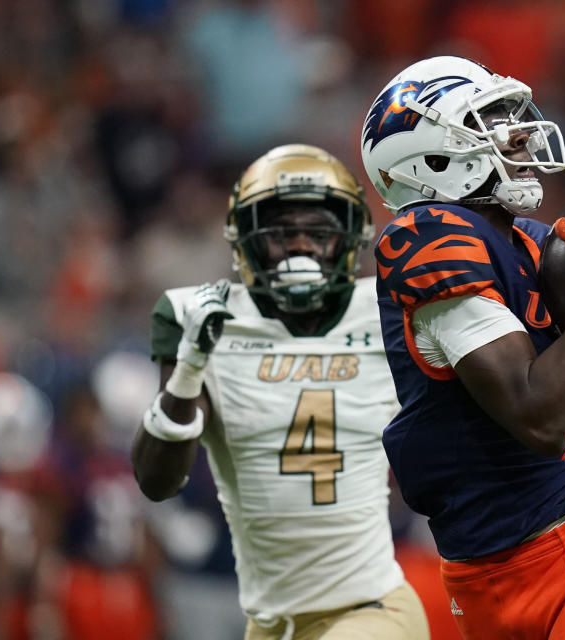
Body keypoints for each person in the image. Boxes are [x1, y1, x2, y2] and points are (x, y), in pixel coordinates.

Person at [360, 55, 565, 639]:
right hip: (479, 576)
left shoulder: (537, 246)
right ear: (434, 157)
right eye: (489, 119)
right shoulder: (428, 240)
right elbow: (542, 417)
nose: (516, 133)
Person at [129, 144, 430, 640]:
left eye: (318, 232)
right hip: (271, 625)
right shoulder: (203, 316)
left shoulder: (389, 310)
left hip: (372, 609)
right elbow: (157, 480)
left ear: (348, 240)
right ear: (246, 242)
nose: (301, 247)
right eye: (281, 234)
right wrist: (190, 367)